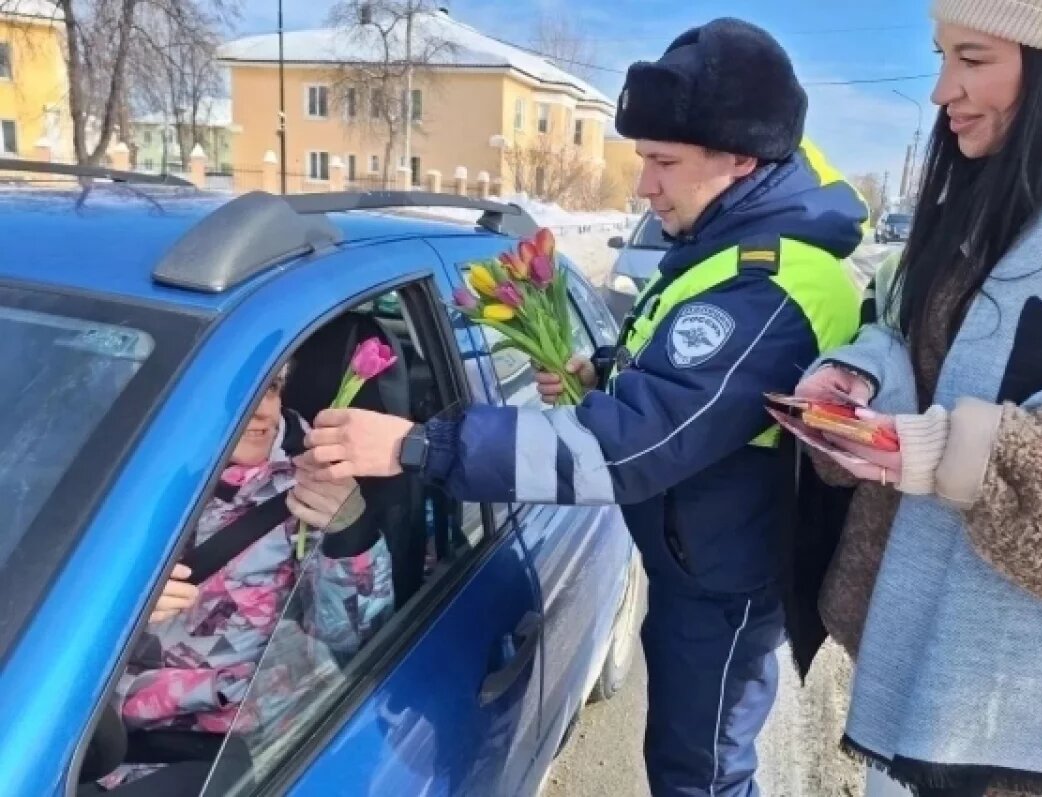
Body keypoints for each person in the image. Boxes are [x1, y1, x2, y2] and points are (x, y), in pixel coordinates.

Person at [301, 17, 868, 796]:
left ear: (742, 159)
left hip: (725, 581)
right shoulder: (731, 245)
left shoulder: (770, 285)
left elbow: (626, 449)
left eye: (664, 162)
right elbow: (696, 387)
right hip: (704, 556)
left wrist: (416, 446)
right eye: (643, 159)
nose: (643, 186)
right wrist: (605, 373)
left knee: (701, 776)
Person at [792, 1, 1042, 796]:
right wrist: (863, 374)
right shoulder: (993, 192)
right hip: (918, 693)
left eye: (973, 59)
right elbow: (911, 334)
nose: (942, 90)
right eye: (942, 55)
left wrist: (968, 457)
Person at [98, 364, 394, 790]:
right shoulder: (113, 480)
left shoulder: (311, 486)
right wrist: (114, 612)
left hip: (225, 756)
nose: (261, 410)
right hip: (82, 733)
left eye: (270, 387)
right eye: (233, 391)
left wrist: (351, 533)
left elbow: (354, 644)